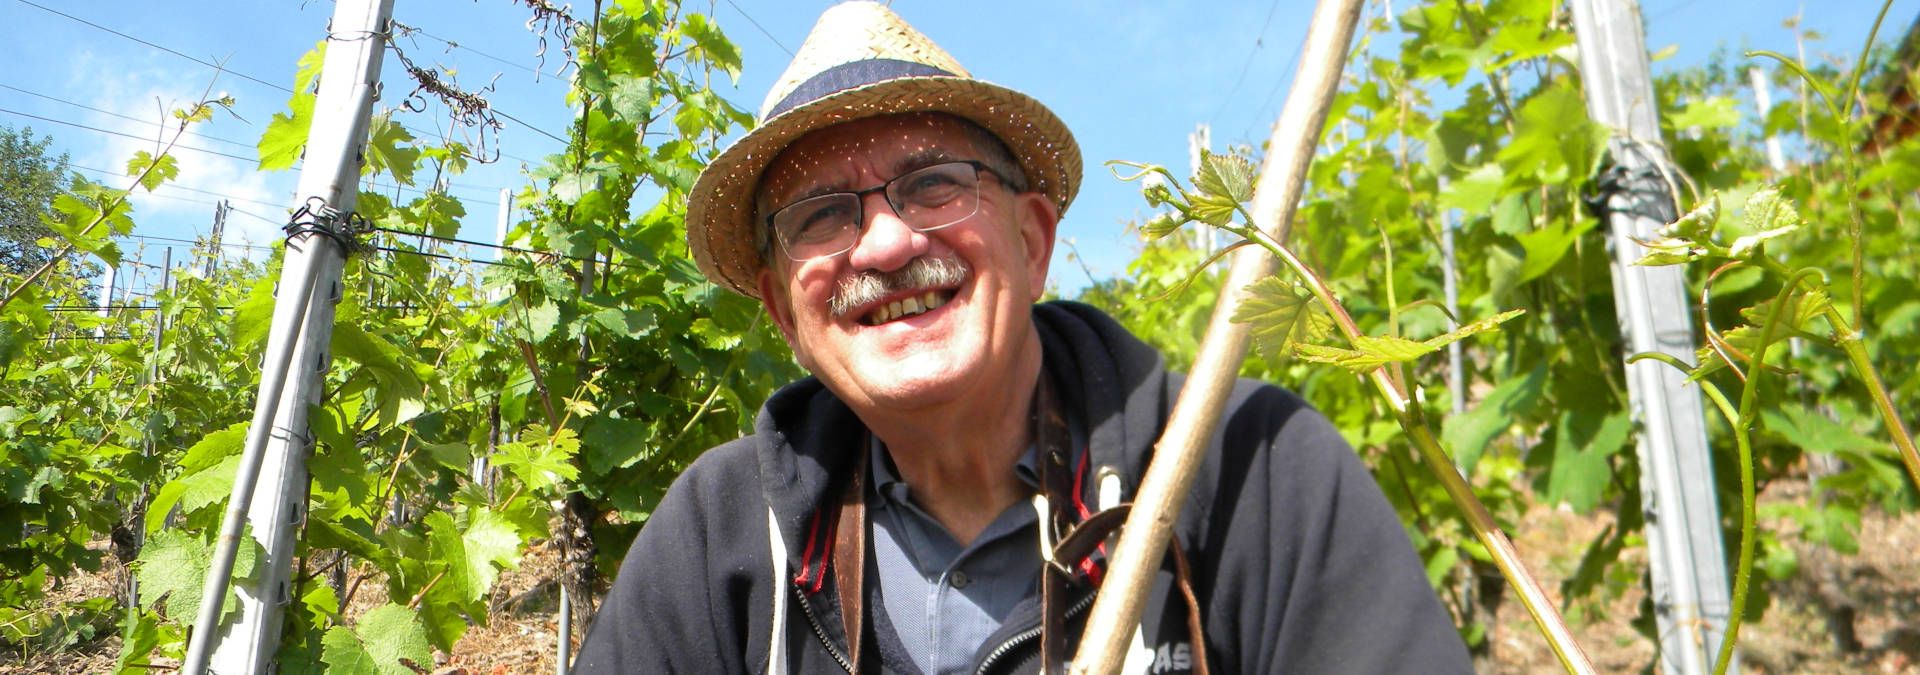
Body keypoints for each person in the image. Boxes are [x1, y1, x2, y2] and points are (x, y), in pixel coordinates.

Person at [574, 2, 1471, 673]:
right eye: (822, 213)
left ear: (1034, 240)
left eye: (932, 184)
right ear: (784, 312)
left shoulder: (1246, 476)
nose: (886, 243)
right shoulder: (723, 539)